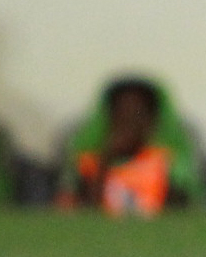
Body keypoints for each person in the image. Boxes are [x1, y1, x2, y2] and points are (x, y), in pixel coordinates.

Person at [66, 78, 188, 217]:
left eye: (137, 114)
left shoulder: (167, 160)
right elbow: (82, 210)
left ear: (151, 121)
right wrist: (106, 161)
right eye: (122, 114)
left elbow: (182, 210)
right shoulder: (88, 163)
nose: (129, 123)